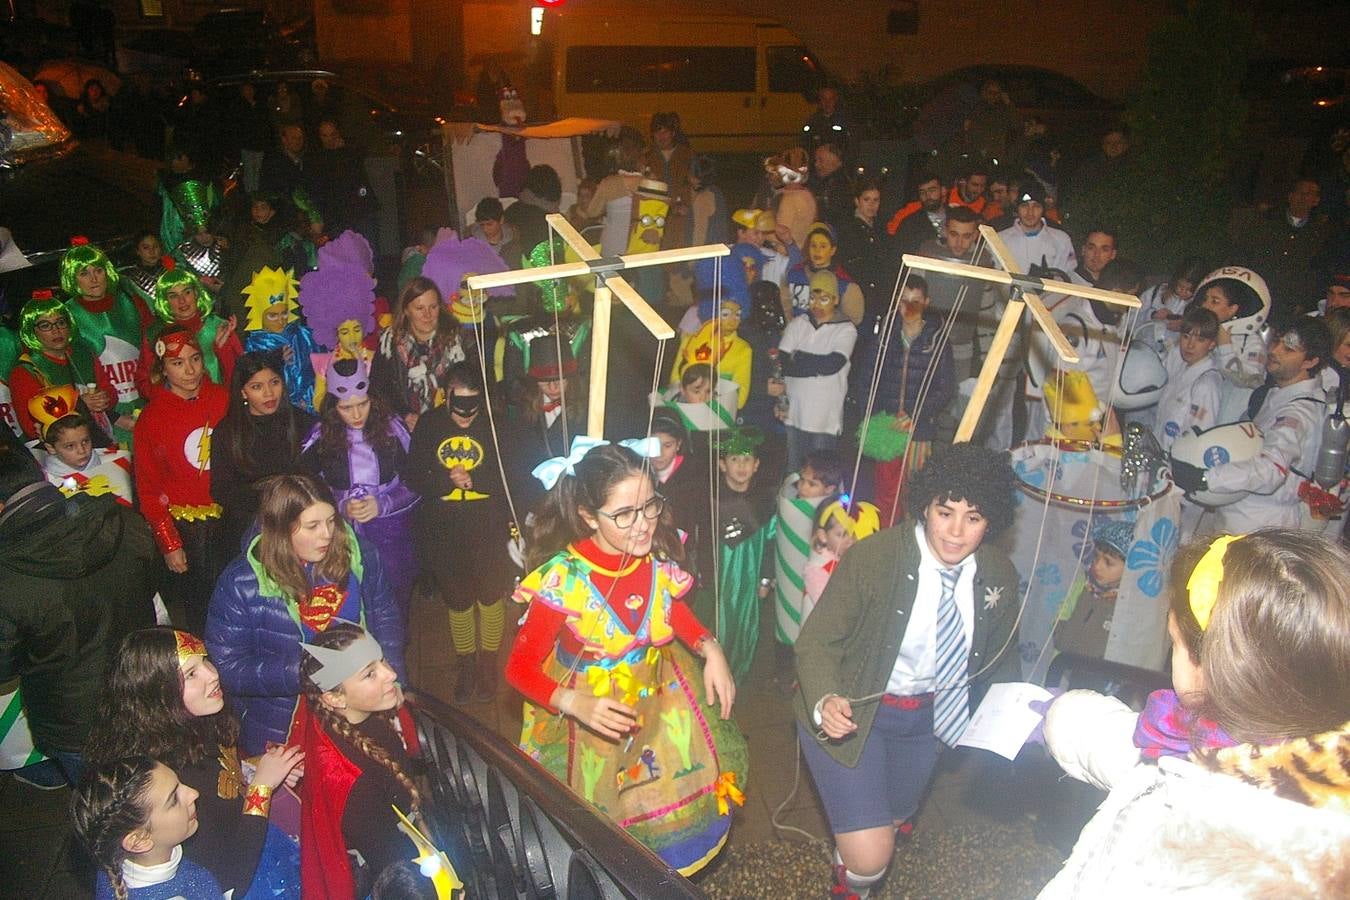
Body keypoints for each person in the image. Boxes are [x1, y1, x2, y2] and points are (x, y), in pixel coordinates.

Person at [1040, 530, 1350, 897]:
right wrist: (1067, 718)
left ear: (1206, 666)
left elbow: (1166, 786)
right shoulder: (1282, 755)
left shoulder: (1168, 846)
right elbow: (1163, 768)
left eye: (1174, 642)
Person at [505, 440, 743, 875]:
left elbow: (670, 608)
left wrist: (710, 647)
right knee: (603, 828)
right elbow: (518, 669)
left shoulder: (651, 561)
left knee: (663, 803)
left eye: (650, 506)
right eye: (624, 515)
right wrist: (574, 703)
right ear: (587, 516)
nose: (643, 526)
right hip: (589, 720)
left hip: (658, 704)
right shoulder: (566, 578)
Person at [795, 443, 1021, 899]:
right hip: (855, 714)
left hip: (929, 721)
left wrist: (1015, 717)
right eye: (945, 512)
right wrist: (825, 699)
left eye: (973, 518)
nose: (956, 532)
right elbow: (816, 640)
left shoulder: (998, 572)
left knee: (892, 824)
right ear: (925, 505)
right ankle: (852, 881)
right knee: (872, 854)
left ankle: (855, 865)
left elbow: (1001, 659)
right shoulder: (874, 559)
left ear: (990, 520)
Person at [85, 628, 303, 898]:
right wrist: (261, 788)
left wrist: (251, 768)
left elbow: (220, 777)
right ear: (159, 696)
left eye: (205, 660)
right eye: (191, 674)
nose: (213, 675)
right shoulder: (163, 783)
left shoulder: (199, 719)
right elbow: (231, 879)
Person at [206, 473, 406, 756]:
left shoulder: (359, 555)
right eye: (312, 526)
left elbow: (385, 618)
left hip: (359, 708)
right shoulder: (242, 583)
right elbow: (227, 667)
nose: (327, 534)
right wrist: (304, 672)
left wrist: (391, 680)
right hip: (282, 722)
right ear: (281, 530)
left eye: (330, 520)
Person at [0, 445, 158, 788]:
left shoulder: (7, 573)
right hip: (145, 690)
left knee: (106, 815)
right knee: (155, 791)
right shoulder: (120, 518)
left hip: (75, 721)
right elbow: (153, 582)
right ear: (40, 476)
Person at [405, 363, 514, 704]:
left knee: (491, 595)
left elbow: (514, 477)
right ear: (446, 395)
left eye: (473, 405)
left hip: (489, 528)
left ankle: (487, 663)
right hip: (445, 530)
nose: (465, 415)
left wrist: (476, 481)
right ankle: (467, 664)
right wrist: (445, 480)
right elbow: (413, 477)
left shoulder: (497, 426)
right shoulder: (430, 424)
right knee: (459, 599)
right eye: (458, 405)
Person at [297, 623, 423, 900]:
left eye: (382, 661)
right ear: (334, 698)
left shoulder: (349, 714)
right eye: (370, 674)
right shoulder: (351, 781)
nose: (391, 674)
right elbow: (392, 861)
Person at [1172, 317, 1331, 533]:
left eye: (1289, 349)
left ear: (1310, 362)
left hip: (1261, 524)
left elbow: (1270, 470)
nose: (1276, 351)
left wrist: (1206, 477)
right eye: (1278, 342)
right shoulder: (1279, 394)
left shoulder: (1300, 412)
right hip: (1239, 513)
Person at [302, 357, 420, 620]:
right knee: (345, 603)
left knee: (394, 604)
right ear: (334, 407)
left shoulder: (393, 430)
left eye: (362, 405)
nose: (356, 415)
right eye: (346, 408)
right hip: (338, 536)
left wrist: (383, 503)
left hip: (392, 536)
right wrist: (339, 505)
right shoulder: (320, 437)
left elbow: (417, 480)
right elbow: (307, 489)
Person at [132, 327, 230, 634]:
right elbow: (148, 489)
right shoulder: (151, 418)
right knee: (202, 611)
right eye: (178, 363)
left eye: (195, 359)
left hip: (232, 518)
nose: (189, 370)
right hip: (190, 530)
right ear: (163, 369)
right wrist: (170, 543)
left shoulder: (223, 399)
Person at [857, 275, 956, 527]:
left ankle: (913, 542)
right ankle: (885, 539)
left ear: (926, 303)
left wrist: (915, 414)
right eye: (904, 301)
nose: (909, 308)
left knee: (915, 492)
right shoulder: (884, 338)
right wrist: (874, 415)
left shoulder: (937, 341)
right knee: (885, 492)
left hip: (918, 430)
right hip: (888, 427)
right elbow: (867, 378)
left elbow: (945, 389)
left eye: (916, 301)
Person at [70, 756, 225, 900]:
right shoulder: (197, 889)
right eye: (173, 800)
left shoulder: (111, 867)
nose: (194, 793)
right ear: (139, 840)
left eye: (179, 784)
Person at [211, 351, 317, 557]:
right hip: (250, 531)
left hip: (300, 525)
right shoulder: (227, 432)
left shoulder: (305, 423)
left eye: (274, 382)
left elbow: (316, 479)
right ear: (243, 392)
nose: (269, 393)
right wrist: (269, 502)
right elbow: (221, 489)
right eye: (257, 387)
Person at [701, 426, 776, 681]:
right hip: (719, 578)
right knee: (716, 623)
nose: (741, 466)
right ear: (723, 465)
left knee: (744, 628)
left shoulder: (764, 502)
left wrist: (766, 579)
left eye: (747, 459)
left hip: (749, 580)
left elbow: (771, 543)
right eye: (734, 459)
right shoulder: (712, 499)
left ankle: (736, 679)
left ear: (756, 465)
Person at [61, 237, 153, 440]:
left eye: (98, 271)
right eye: (84, 273)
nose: (94, 279)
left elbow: (156, 351)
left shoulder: (132, 301)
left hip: (148, 406)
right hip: (101, 419)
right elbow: (58, 372)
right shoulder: (65, 317)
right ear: (72, 278)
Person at [10, 292, 117, 443]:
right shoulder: (25, 371)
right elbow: (31, 427)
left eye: (61, 322)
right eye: (45, 325)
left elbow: (110, 393)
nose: (56, 330)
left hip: (99, 440)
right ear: (32, 331)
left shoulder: (84, 354)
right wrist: (80, 405)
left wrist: (104, 399)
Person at [778, 270, 858, 473]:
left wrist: (799, 357)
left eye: (824, 299)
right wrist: (815, 365)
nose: (817, 305)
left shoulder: (846, 329)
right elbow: (784, 363)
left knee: (821, 476)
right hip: (794, 414)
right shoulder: (798, 324)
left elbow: (832, 364)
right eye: (813, 298)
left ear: (836, 299)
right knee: (794, 473)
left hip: (825, 419)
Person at [370, 277, 473, 432]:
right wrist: (405, 414)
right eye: (420, 308)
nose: (428, 315)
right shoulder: (389, 343)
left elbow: (477, 384)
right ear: (406, 310)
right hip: (405, 428)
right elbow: (378, 387)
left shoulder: (460, 340)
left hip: (452, 426)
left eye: (433, 307)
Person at [772, 450, 845, 665]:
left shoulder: (836, 513)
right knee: (787, 624)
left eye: (812, 484)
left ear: (830, 489)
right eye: (802, 481)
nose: (803, 488)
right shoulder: (790, 502)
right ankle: (784, 669)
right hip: (789, 591)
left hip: (818, 597)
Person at [299, 230, 380, 409]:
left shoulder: (374, 359)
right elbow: (319, 401)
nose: (351, 336)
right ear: (334, 333)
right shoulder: (324, 363)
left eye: (357, 329)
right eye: (344, 331)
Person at [135, 264, 242, 399]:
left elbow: (239, 377)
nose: (182, 301)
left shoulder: (219, 326)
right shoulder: (155, 335)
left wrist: (223, 350)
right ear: (165, 302)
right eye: (173, 296)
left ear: (196, 294)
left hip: (220, 408)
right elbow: (144, 383)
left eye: (187, 292)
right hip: (178, 412)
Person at [1051, 519, 1132, 660]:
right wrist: (1059, 632)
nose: (1098, 565)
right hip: (1065, 665)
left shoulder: (1127, 603)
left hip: (1097, 674)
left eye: (1108, 562)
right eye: (1096, 557)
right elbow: (1063, 613)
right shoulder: (1084, 585)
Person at [240, 267, 317, 413]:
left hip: (310, 405)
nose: (281, 320)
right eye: (273, 315)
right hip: (278, 410)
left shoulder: (303, 335)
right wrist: (275, 362)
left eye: (284, 313)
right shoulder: (254, 345)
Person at [801, 498, 881, 627]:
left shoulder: (850, 559)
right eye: (842, 535)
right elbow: (832, 610)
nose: (850, 541)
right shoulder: (816, 570)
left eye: (853, 534)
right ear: (823, 535)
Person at [1152, 307, 1222, 453]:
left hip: (1175, 462)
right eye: (1186, 336)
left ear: (1212, 344)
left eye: (1200, 339)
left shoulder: (1206, 383)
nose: (1190, 345)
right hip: (1158, 450)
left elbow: (1198, 437)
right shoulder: (1180, 366)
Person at [36, 403, 133, 505]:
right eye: (70, 446)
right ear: (51, 448)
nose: (82, 450)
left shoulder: (115, 463)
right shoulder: (47, 482)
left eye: (85, 441)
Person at [783, 221, 866, 325]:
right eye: (813, 245)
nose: (817, 251)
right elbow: (784, 307)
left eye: (823, 246)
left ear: (833, 250)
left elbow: (854, 320)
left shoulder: (845, 284)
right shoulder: (794, 274)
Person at [640, 112, 694, 249]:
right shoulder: (647, 156)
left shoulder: (686, 155)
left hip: (679, 215)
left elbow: (695, 184)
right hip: (653, 215)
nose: (661, 137)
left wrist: (689, 205)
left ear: (673, 133)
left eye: (665, 132)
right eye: (657, 133)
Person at [885, 173, 946, 257]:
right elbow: (899, 255)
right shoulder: (910, 223)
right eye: (922, 192)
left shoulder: (956, 217)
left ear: (943, 191)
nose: (928, 196)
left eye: (932, 190)